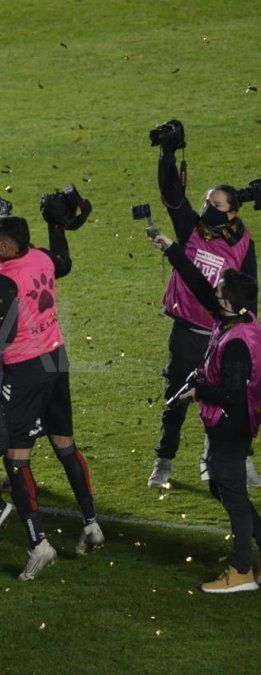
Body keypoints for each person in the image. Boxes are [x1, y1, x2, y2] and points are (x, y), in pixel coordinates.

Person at [0, 216, 103, 580]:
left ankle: (39, 544)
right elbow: (61, 262)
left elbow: (5, 331)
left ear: (7, 247)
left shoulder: (2, 278)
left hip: (26, 370)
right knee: (64, 444)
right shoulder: (41, 257)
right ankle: (91, 524)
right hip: (56, 358)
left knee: (15, 457)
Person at [150, 232, 261, 593]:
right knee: (220, 485)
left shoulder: (237, 344)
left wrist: (198, 389)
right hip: (229, 424)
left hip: (231, 426)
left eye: (219, 293)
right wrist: (171, 249)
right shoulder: (235, 319)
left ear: (229, 303)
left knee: (232, 494)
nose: (213, 293)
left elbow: (232, 392)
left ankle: (242, 571)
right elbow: (199, 284)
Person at [148, 131, 258, 488]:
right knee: (177, 398)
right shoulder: (192, 228)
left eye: (217, 204)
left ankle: (223, 461)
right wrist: (167, 155)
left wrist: (243, 331)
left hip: (222, 336)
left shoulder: (244, 243)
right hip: (187, 332)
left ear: (232, 212)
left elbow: (249, 292)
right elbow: (172, 196)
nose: (208, 207)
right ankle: (164, 460)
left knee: (227, 399)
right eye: (206, 201)